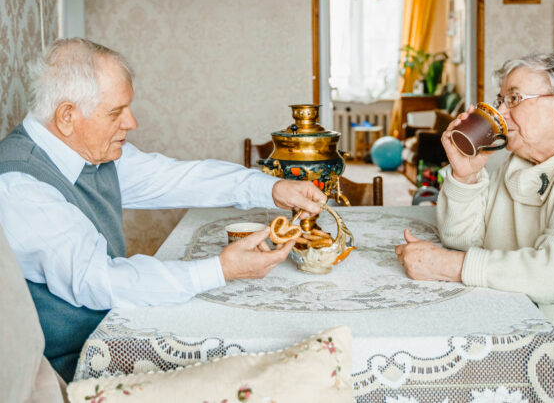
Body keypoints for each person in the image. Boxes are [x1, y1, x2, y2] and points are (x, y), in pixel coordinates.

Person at [0, 38, 326, 382]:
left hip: (115, 329)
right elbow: (100, 281)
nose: (132, 122)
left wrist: (271, 188)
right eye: (116, 112)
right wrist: (221, 269)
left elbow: (176, 177)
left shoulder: (83, 149)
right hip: (72, 368)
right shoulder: (21, 187)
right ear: (67, 116)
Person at [395, 53, 554, 403]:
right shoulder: (513, 164)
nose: (501, 111)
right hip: (528, 333)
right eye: (501, 99)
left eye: (514, 98)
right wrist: (465, 176)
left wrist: (446, 265)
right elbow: (464, 240)